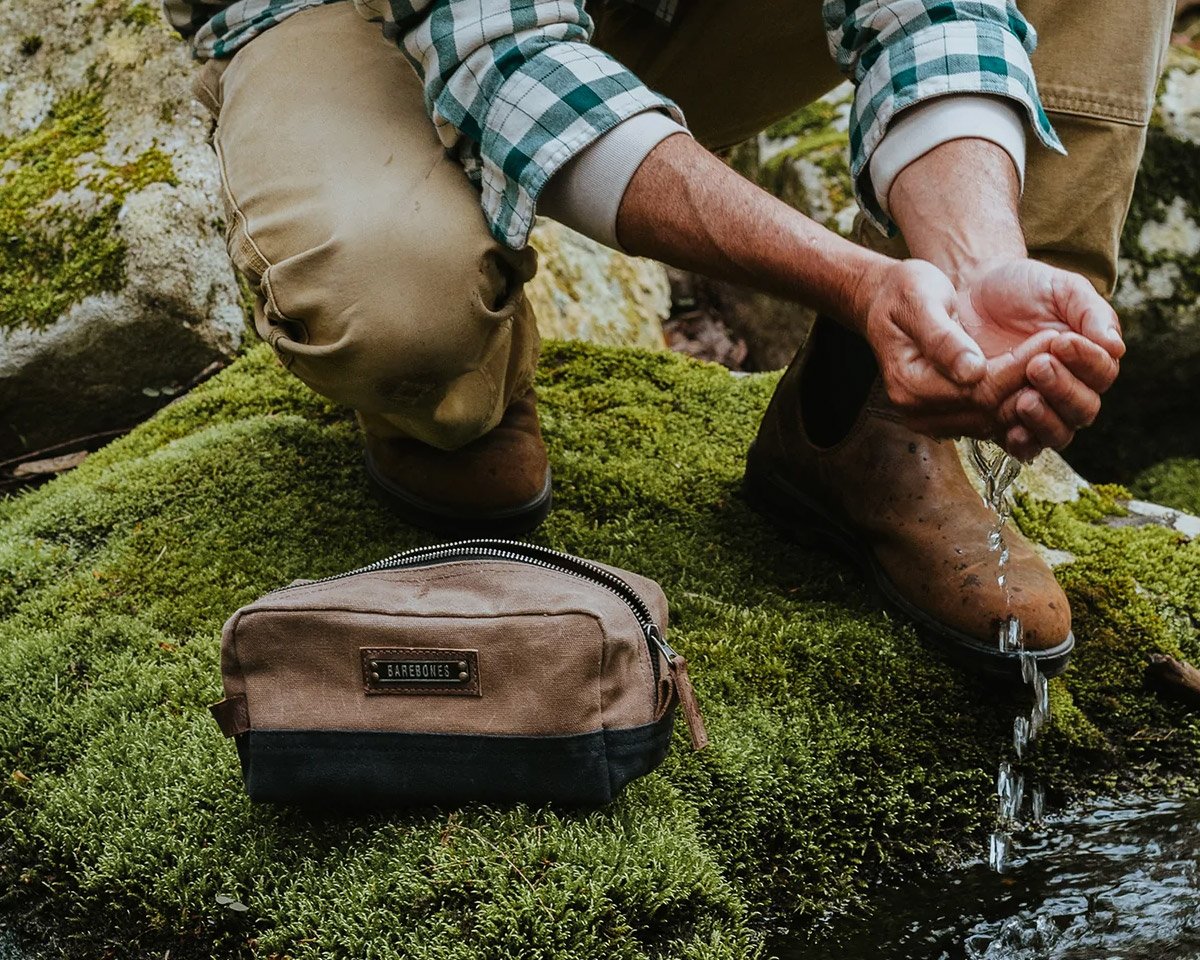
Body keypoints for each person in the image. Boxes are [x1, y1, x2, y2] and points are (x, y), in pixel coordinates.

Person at [166, 0, 1174, 676]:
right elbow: (507, 59)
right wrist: (854, 279)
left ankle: (873, 426)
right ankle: (460, 372)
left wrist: (974, 259)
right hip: (367, 17)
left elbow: (932, 10)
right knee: (397, 317)